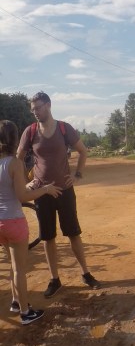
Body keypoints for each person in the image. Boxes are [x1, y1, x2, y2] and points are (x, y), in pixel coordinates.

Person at [16, 92, 102, 298]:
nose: (35, 112)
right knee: (48, 238)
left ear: (48, 105)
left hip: (65, 190)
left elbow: (83, 151)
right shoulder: (30, 131)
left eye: (38, 107)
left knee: (74, 233)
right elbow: (18, 158)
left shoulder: (65, 128)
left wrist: (78, 174)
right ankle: (54, 279)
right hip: (42, 193)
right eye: (33, 109)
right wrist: (23, 181)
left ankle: (86, 273)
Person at [0, 120, 61, 324]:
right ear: (14, 139)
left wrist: (30, 184)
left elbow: (10, 190)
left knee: (11, 265)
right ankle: (25, 313)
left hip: (0, 223)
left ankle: (16, 301)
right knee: (19, 269)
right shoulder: (14, 163)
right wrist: (43, 189)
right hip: (14, 221)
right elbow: (21, 197)